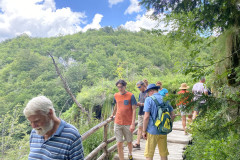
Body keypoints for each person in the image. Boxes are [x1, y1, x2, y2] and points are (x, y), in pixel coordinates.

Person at [23, 96, 84, 160]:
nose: (33, 126)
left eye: (37, 121)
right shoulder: (34, 132)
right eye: (31, 122)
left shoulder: (71, 135)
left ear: (50, 113)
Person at [142, 84, 175, 160]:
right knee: (163, 153)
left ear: (151, 91)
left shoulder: (148, 99)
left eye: (148, 92)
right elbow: (173, 115)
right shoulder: (165, 99)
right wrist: (167, 125)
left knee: (149, 154)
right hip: (163, 130)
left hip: (152, 131)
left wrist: (144, 131)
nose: (148, 94)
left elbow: (146, 117)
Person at [110, 79, 137, 160]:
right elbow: (116, 105)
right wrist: (112, 114)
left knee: (129, 142)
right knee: (119, 143)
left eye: (121, 87)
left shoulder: (131, 96)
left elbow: (134, 109)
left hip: (128, 123)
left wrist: (132, 124)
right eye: (118, 87)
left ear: (125, 86)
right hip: (118, 122)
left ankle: (130, 153)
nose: (120, 89)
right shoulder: (116, 95)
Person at [133, 81, 148, 149]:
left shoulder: (148, 93)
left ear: (143, 86)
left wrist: (140, 104)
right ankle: (138, 143)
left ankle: (148, 144)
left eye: (139, 87)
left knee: (146, 129)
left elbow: (148, 104)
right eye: (137, 87)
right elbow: (140, 102)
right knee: (139, 127)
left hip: (146, 113)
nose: (138, 88)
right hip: (140, 112)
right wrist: (137, 105)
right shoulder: (140, 93)